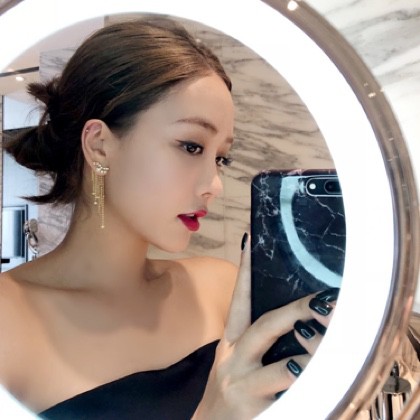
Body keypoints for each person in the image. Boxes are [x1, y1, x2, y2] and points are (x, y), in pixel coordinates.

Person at [0, 17, 337, 419]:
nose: (214, 185)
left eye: (220, 158)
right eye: (191, 146)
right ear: (100, 145)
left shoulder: (220, 288)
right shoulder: (9, 320)